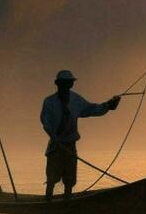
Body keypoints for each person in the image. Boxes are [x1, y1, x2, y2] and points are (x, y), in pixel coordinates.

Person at [40, 69, 121, 201]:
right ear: (57, 84)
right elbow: (45, 121)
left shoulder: (76, 100)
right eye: (63, 83)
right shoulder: (49, 102)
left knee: (69, 179)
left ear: (71, 85)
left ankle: (67, 201)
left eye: (68, 83)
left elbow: (92, 109)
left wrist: (108, 105)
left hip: (70, 146)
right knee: (52, 178)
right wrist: (54, 137)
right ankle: (48, 201)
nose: (66, 86)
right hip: (55, 146)